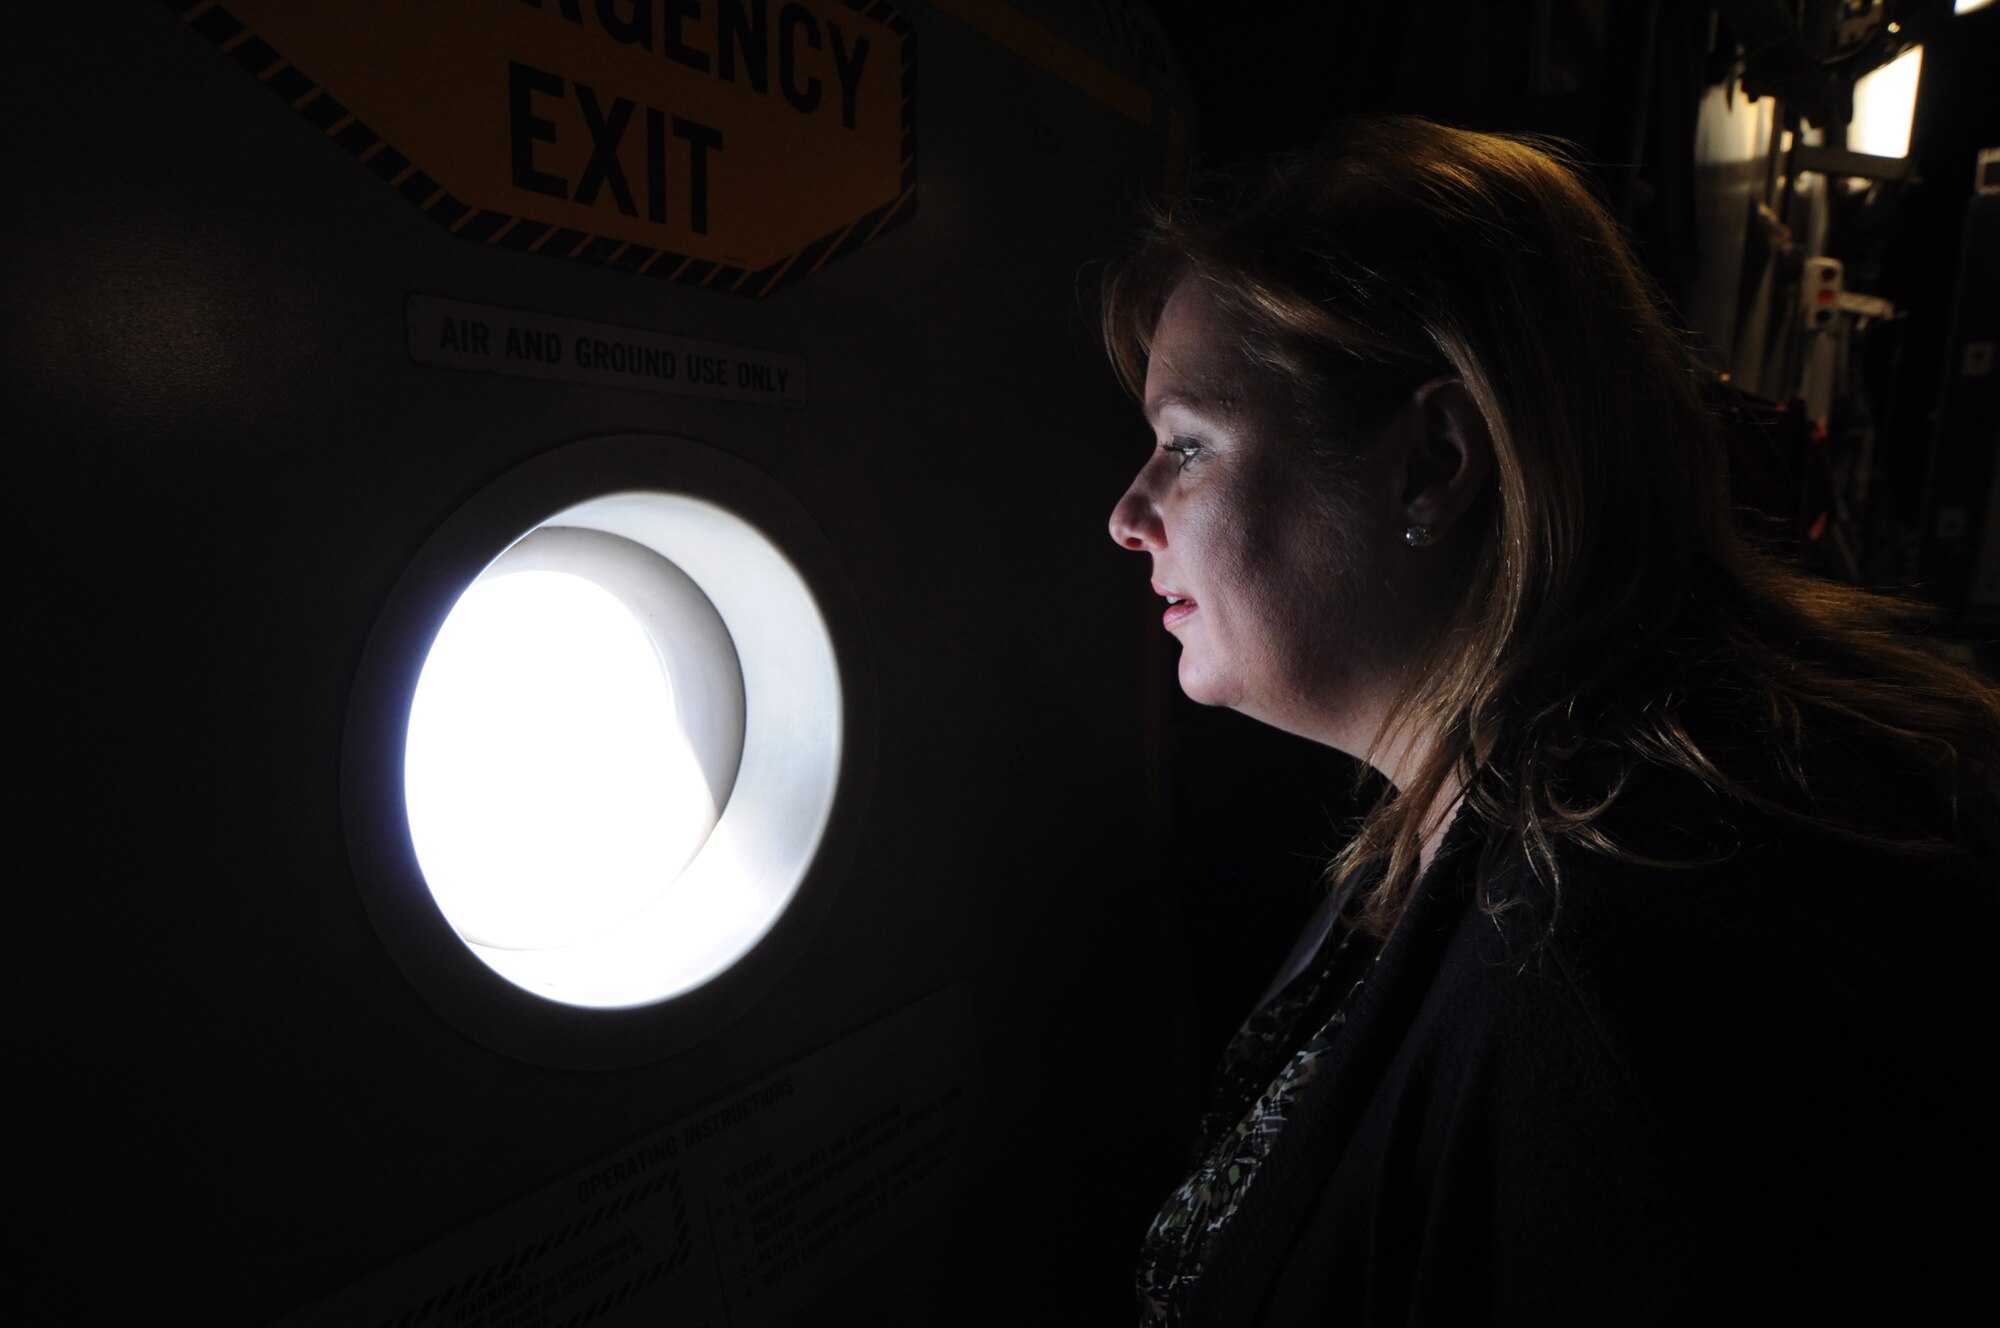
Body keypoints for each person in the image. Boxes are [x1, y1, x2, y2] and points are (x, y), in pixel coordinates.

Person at [1103, 115, 2000, 1326]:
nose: (1128, 513)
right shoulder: (1520, 800)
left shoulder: (1611, 964)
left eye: (1186, 447)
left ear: (1433, 460)